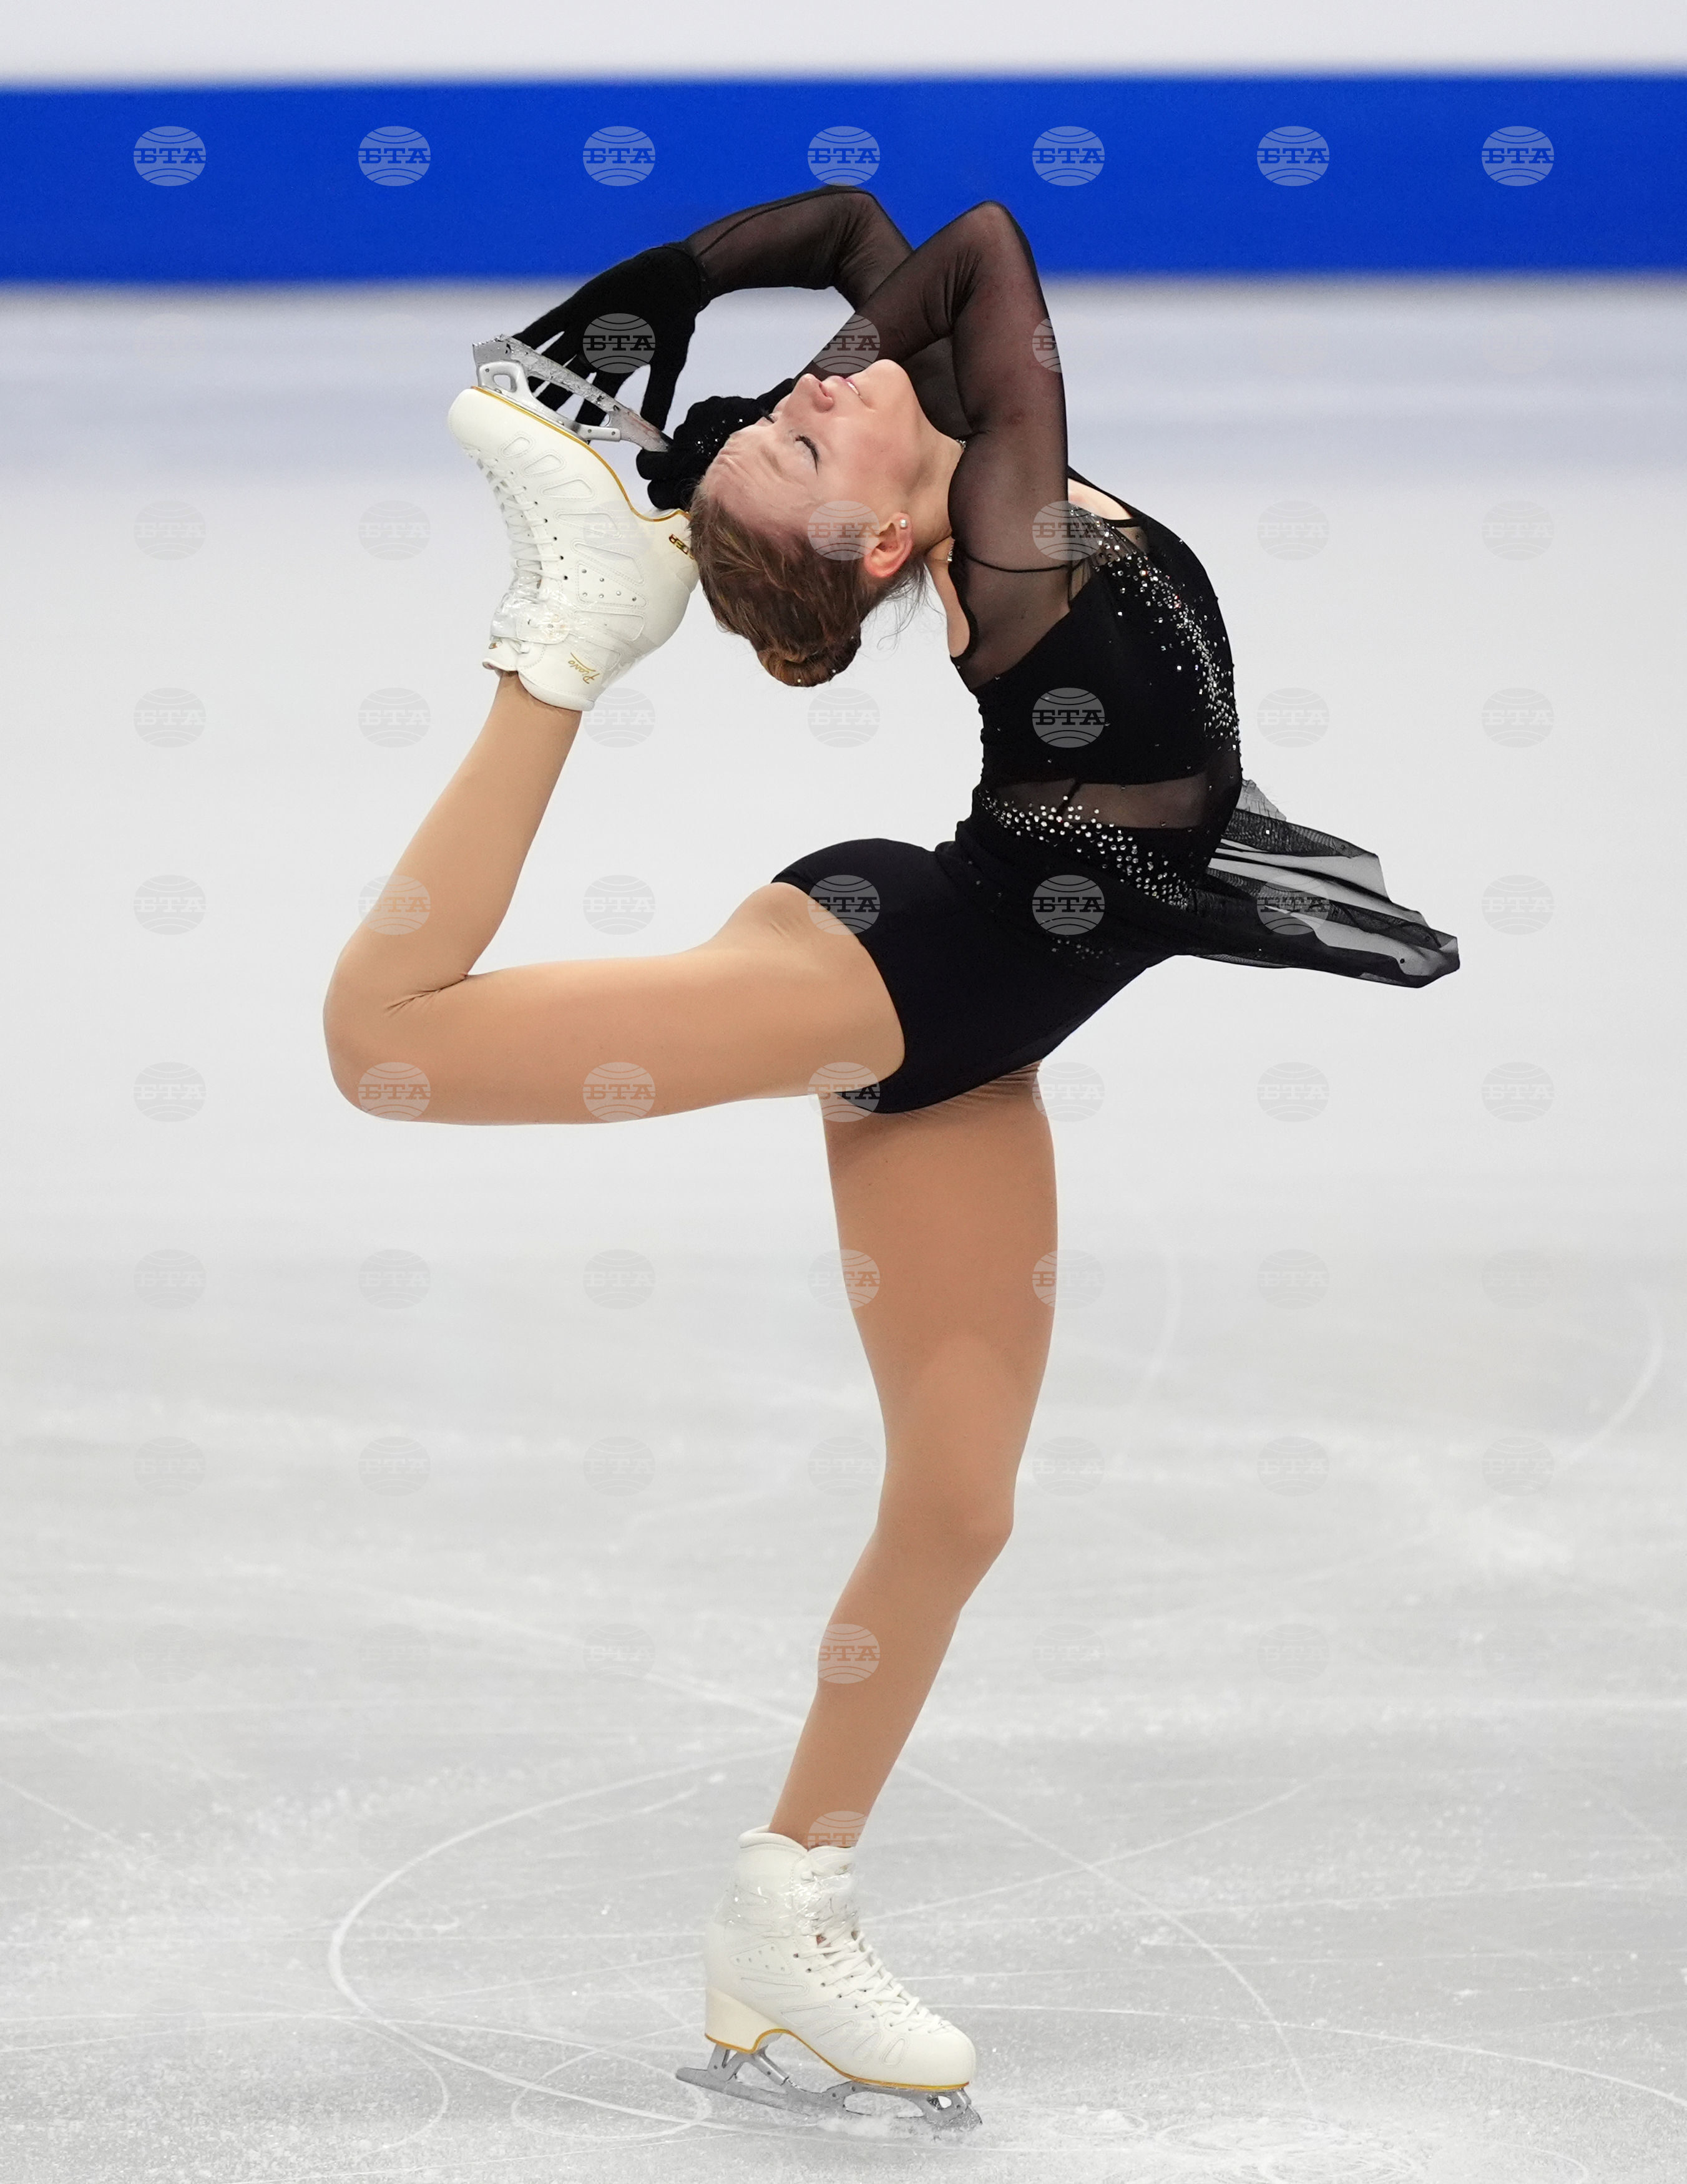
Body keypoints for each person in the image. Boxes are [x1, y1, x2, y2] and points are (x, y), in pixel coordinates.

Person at [323, 189, 1456, 2136]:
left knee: (957, 1498)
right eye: (796, 436)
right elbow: (986, 250)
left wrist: (651, 309)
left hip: (972, 1025)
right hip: (889, 970)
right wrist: (741, 375)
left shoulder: (940, 444)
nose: (816, 391)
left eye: (802, 402)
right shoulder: (1010, 538)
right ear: (877, 546)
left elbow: (858, 224)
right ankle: (566, 645)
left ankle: (787, 1904)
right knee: (391, 1046)